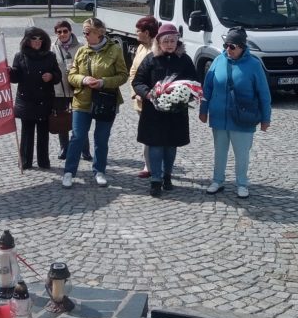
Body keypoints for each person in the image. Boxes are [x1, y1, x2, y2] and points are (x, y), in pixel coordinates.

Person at [198, 26, 272, 199]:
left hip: (242, 117)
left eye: (232, 46)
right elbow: (207, 87)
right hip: (219, 117)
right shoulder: (218, 60)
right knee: (219, 152)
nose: (228, 49)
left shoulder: (254, 65)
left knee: (242, 154)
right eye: (226, 45)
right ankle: (217, 180)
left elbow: (264, 94)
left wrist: (266, 118)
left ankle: (242, 183)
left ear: (242, 46)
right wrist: (203, 110)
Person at [61, 17, 128, 188]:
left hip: (106, 101)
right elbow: (71, 76)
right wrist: (83, 80)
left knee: (101, 138)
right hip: (82, 100)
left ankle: (99, 171)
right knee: (77, 137)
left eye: (87, 32)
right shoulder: (81, 51)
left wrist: (103, 82)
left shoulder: (115, 50)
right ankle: (69, 172)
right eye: (83, 32)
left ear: (99, 33)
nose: (84, 35)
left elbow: (123, 76)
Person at [132, 22, 197, 196]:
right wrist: (148, 94)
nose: (169, 44)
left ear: (177, 41)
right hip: (154, 112)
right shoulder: (151, 59)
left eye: (172, 41)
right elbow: (138, 82)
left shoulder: (184, 60)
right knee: (155, 145)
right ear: (158, 42)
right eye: (165, 41)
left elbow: (194, 82)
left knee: (170, 145)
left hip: (176, 112)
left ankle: (167, 176)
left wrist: (185, 95)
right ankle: (155, 180)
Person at [10, 26, 62, 170]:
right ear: (27, 40)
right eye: (34, 39)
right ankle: (25, 161)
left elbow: (58, 76)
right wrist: (9, 72)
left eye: (40, 39)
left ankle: (43, 161)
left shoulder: (50, 56)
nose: (38, 41)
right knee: (27, 132)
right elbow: (16, 77)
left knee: (43, 132)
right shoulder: (20, 56)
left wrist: (51, 76)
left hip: (44, 99)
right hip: (26, 100)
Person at [51, 21, 91, 161]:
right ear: (56, 33)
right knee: (62, 120)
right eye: (59, 32)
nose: (62, 34)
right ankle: (64, 148)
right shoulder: (52, 48)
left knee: (80, 121)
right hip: (60, 90)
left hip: (78, 89)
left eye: (65, 31)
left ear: (70, 31)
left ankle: (84, 150)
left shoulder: (81, 47)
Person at [127, 15, 159, 178]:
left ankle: (155, 165)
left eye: (138, 31)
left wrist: (147, 93)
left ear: (146, 32)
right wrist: (136, 92)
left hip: (153, 99)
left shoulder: (157, 48)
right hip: (140, 99)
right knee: (146, 132)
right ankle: (148, 164)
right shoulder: (140, 47)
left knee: (155, 133)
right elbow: (133, 71)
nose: (136, 34)